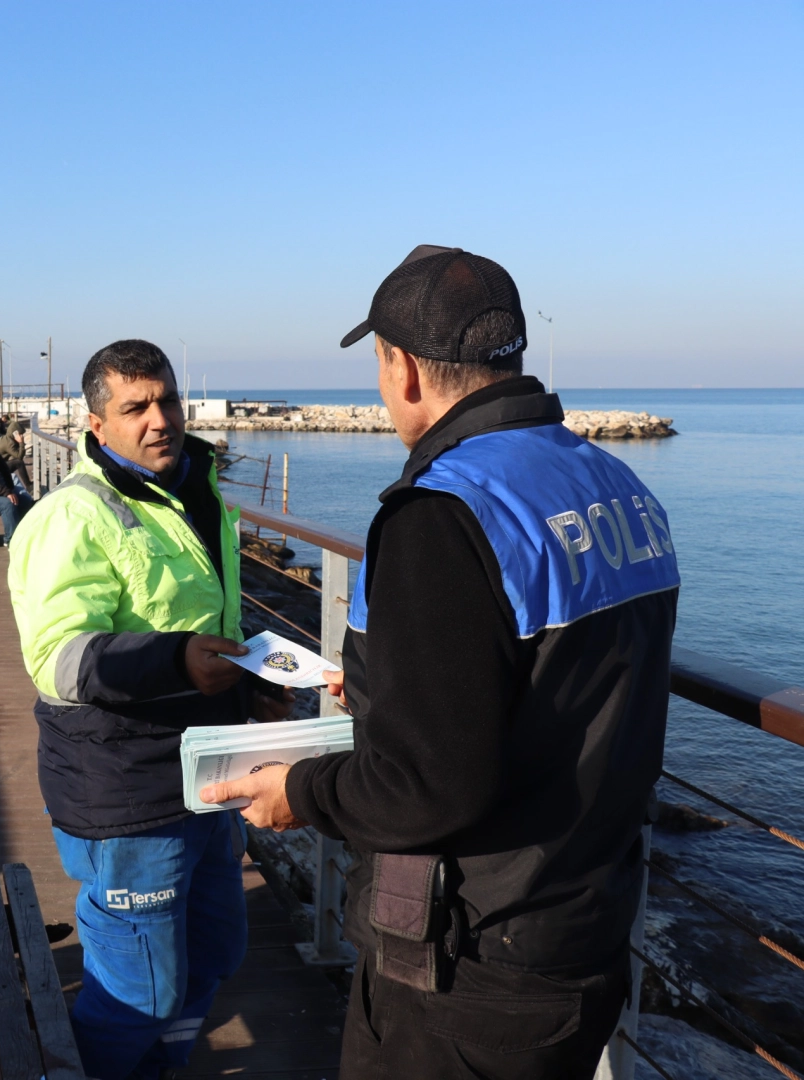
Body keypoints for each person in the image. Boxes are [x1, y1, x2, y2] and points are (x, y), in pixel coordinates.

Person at [200, 247, 681, 1079]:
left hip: (473, 964)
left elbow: (429, 787)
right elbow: (549, 681)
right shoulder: (618, 486)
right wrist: (388, 684)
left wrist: (300, 793)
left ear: (405, 369)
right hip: (590, 923)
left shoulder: (443, 514)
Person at [7, 339, 293, 1080]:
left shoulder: (197, 493)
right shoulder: (73, 516)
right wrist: (174, 660)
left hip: (208, 776)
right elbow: (58, 660)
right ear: (96, 424)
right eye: (135, 407)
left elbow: (206, 621)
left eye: (166, 399)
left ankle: (160, 1065)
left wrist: (252, 686)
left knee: (216, 949)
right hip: (127, 788)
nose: (159, 419)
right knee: (141, 987)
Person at [0, 419, 33, 492]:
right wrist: (21, 442)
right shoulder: (9, 443)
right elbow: (20, 457)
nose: (21, 435)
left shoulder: (6, 438)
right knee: (19, 463)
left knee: (15, 460)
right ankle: (28, 486)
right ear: (15, 433)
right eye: (20, 434)